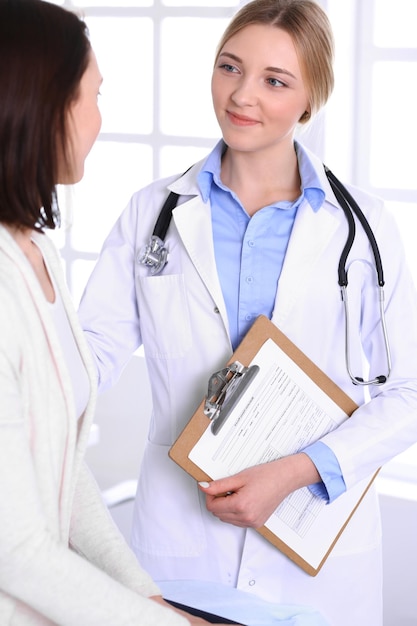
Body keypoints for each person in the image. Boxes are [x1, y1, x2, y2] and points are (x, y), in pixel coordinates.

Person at [78, 1, 417, 625]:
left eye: (275, 80)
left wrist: (296, 471)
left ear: (311, 98)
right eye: (229, 67)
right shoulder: (153, 213)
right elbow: (90, 352)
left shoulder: (364, 229)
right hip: (182, 547)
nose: (242, 95)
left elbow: (411, 391)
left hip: (315, 554)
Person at [0, 1, 236, 625]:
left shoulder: (36, 250)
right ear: (45, 103)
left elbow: (65, 466)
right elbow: (16, 553)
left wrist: (150, 598)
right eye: (94, 95)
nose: (101, 119)